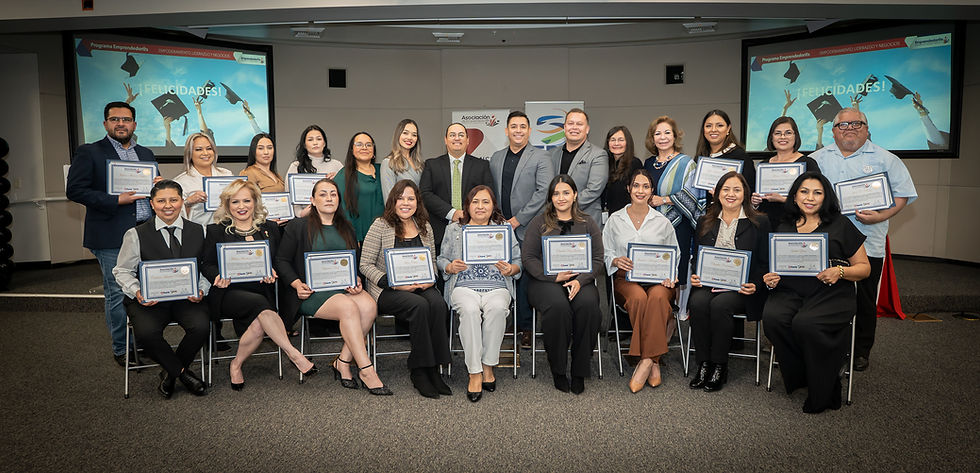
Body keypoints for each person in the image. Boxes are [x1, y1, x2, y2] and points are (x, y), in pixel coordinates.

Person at [810, 107, 917, 371]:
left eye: (856, 123)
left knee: (864, 298)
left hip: (868, 239)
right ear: (833, 131)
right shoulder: (816, 159)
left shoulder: (886, 159)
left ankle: (860, 351)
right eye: (843, 125)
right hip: (825, 242)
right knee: (822, 293)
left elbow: (902, 196)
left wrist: (881, 216)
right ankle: (827, 345)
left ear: (867, 129)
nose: (850, 129)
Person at [762, 171, 871, 414]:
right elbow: (777, 266)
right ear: (795, 196)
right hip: (790, 291)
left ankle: (825, 384)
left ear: (826, 197)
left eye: (817, 192)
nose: (810, 197)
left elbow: (864, 269)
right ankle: (805, 373)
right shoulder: (785, 225)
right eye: (804, 191)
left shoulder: (841, 224)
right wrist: (771, 278)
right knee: (773, 319)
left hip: (831, 292)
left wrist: (839, 272)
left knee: (806, 324)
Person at [276, 178, 391, 395]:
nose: (329, 198)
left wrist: (356, 280)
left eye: (333, 194)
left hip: (342, 288)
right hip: (311, 292)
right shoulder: (298, 226)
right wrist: (296, 283)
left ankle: (343, 361)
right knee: (348, 308)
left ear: (339, 200)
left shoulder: (346, 227)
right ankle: (366, 369)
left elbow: (352, 262)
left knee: (368, 307)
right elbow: (281, 260)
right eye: (323, 194)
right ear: (312, 200)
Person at [200, 180, 318, 390]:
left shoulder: (270, 228)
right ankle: (294, 354)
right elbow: (206, 264)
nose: (241, 206)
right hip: (229, 292)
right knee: (260, 305)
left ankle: (236, 364)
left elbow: (280, 260)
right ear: (227, 205)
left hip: (264, 288)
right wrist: (218, 275)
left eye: (247, 200)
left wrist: (272, 271)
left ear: (255, 202)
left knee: (258, 321)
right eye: (235, 201)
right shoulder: (216, 230)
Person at [66, 101, 158, 367]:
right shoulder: (90, 152)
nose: (121, 124)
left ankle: (144, 342)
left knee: (146, 290)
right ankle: (123, 348)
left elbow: (155, 192)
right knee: (118, 293)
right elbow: (75, 190)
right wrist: (114, 200)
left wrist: (157, 185)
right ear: (106, 123)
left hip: (145, 234)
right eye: (115, 119)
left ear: (134, 125)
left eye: (126, 119)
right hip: (111, 236)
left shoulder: (146, 153)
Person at [111, 180, 210, 399]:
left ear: (182, 201)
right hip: (149, 300)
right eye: (161, 201)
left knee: (201, 327)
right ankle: (182, 374)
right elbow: (122, 271)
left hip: (187, 298)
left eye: (174, 200)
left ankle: (170, 373)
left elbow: (205, 268)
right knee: (146, 333)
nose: (168, 205)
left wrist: (202, 290)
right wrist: (138, 291)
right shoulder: (135, 234)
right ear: (152, 204)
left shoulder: (199, 230)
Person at [360, 180, 450, 399]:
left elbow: (432, 260)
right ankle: (419, 370)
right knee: (419, 306)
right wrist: (392, 282)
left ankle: (435, 369)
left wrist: (431, 279)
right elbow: (365, 264)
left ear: (417, 202)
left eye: (411, 198)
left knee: (438, 304)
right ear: (393, 201)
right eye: (401, 198)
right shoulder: (380, 225)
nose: (406, 203)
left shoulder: (425, 226)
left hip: (420, 284)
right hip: (388, 288)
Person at [437, 185, 522, 402]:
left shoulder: (504, 228)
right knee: (470, 310)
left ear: (493, 205)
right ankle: (475, 372)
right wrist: (449, 267)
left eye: (485, 202)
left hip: (497, 286)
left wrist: (511, 269)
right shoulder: (455, 229)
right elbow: (441, 259)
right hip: (464, 286)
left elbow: (518, 262)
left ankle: (488, 365)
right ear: (467, 205)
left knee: (497, 309)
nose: (480, 206)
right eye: (475, 202)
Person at [687, 171, 769, 393]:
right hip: (709, 282)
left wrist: (756, 284)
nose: (730, 194)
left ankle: (719, 366)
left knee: (720, 305)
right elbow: (698, 255)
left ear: (745, 194)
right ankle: (704, 364)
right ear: (717, 193)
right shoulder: (705, 220)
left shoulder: (759, 221)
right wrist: (696, 274)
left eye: (737, 189)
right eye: (726, 189)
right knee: (697, 303)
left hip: (742, 288)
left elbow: (765, 261)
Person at [522, 174, 603, 395]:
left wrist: (580, 280)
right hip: (544, 282)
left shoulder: (588, 222)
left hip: (580, 280)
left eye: (566, 192)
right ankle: (558, 369)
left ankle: (579, 370)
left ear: (575, 195)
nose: (561, 197)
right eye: (556, 193)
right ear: (551, 197)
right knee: (558, 307)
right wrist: (553, 277)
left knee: (588, 306)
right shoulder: (539, 223)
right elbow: (528, 258)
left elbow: (597, 259)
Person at [602, 169, 680, 393]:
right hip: (626, 279)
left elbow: (675, 254)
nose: (640, 190)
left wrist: (670, 275)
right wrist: (615, 260)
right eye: (636, 185)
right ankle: (654, 359)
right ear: (628, 188)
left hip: (658, 281)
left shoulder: (662, 222)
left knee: (656, 298)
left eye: (645, 186)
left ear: (651, 191)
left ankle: (646, 360)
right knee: (638, 299)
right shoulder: (615, 219)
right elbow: (605, 252)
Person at [488, 110, 555, 349]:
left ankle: (526, 327)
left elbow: (544, 192)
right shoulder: (495, 157)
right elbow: (492, 192)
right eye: (513, 127)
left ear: (529, 130)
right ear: (506, 131)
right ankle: (505, 319)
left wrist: (518, 219)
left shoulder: (541, 157)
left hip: (528, 226)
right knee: (502, 270)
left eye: (523, 127)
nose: (518, 130)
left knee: (526, 274)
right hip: (500, 227)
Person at [642, 116, 697, 317]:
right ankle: (656, 317)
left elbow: (693, 197)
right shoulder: (648, 163)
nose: (662, 137)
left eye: (667, 133)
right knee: (653, 273)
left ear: (675, 136)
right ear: (652, 138)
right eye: (658, 133)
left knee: (674, 274)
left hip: (678, 226)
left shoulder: (686, 163)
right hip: (651, 228)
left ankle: (670, 321)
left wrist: (663, 200)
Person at [419, 123, 494, 247]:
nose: (457, 138)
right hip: (440, 230)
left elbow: (489, 196)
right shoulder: (432, 165)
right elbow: (425, 194)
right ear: (445, 140)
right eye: (452, 135)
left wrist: (470, 214)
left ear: (468, 140)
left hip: (474, 228)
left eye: (461, 135)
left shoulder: (481, 166)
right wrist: (452, 213)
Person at [750, 117, 821, 230]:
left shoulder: (808, 164)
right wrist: (755, 202)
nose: (782, 137)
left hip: (798, 225)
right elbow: (756, 202)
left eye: (788, 133)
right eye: (778, 133)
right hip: (766, 226)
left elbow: (817, 197)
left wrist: (783, 199)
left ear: (795, 136)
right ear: (771, 137)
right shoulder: (763, 165)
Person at [549, 108, 608, 225]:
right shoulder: (552, 154)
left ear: (587, 129)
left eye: (579, 124)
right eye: (570, 123)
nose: (574, 127)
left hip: (585, 220)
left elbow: (594, 189)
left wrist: (564, 206)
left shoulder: (598, 154)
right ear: (564, 127)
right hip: (555, 221)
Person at [172, 132, 233, 228]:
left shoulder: (227, 175)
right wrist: (189, 202)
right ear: (190, 153)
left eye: (209, 148)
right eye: (198, 149)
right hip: (199, 234)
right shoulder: (180, 182)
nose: (205, 153)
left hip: (227, 231)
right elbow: (174, 217)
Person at [694, 109, 756, 199]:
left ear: (728, 129)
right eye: (708, 126)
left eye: (720, 125)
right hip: (704, 212)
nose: (713, 130)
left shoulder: (740, 157)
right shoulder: (700, 157)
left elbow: (749, 191)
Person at [335, 132, 384, 243]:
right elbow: (343, 209)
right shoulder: (344, 175)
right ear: (352, 150)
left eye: (368, 145)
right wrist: (353, 236)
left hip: (386, 235)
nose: (364, 148)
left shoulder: (384, 170)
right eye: (359, 144)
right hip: (360, 238)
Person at [286, 125, 342, 218]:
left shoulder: (337, 165)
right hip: (306, 219)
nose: (315, 143)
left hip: (332, 218)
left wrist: (340, 178)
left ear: (324, 143)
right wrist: (300, 213)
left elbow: (346, 194)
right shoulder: (295, 166)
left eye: (319, 139)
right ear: (304, 144)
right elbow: (289, 195)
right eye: (310, 140)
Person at [601, 125, 643, 215]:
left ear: (627, 143)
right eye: (613, 140)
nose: (616, 143)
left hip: (627, 215)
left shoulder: (634, 163)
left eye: (621, 140)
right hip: (606, 215)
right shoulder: (603, 162)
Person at [380, 119, 424, 199]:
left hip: (420, 210)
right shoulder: (388, 163)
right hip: (401, 210)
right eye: (405, 133)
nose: (410, 138)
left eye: (414, 135)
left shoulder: (420, 164)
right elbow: (388, 198)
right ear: (398, 135)